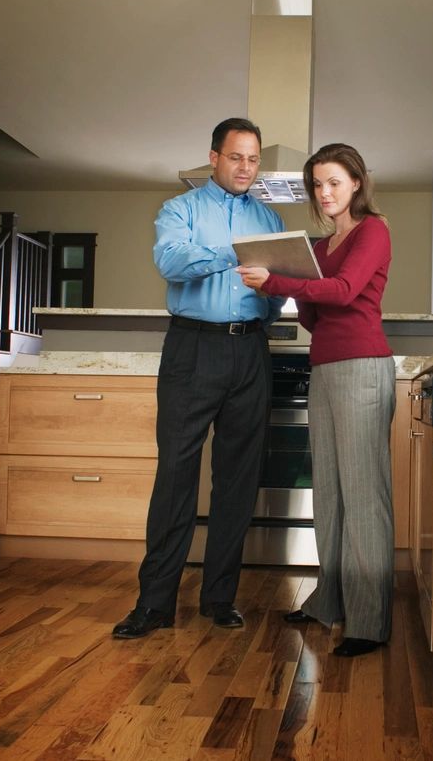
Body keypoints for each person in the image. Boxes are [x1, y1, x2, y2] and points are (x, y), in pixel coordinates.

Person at [112, 118, 286, 639]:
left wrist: (269, 303)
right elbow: (172, 261)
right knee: (176, 475)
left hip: (250, 349)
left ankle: (218, 599)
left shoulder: (269, 216)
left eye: (253, 159)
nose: (245, 168)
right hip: (193, 348)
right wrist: (235, 250)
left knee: (238, 478)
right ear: (214, 157)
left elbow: (276, 289)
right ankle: (155, 603)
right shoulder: (180, 210)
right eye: (236, 157)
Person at [237, 143, 394, 657]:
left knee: (363, 494)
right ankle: (330, 602)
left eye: (333, 182)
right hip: (324, 369)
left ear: (356, 183)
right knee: (329, 492)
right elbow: (313, 317)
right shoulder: (321, 247)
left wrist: (280, 282)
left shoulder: (374, 231)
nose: (324, 193)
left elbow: (347, 292)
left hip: (363, 367)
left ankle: (369, 621)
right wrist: (290, 288)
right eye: (317, 185)